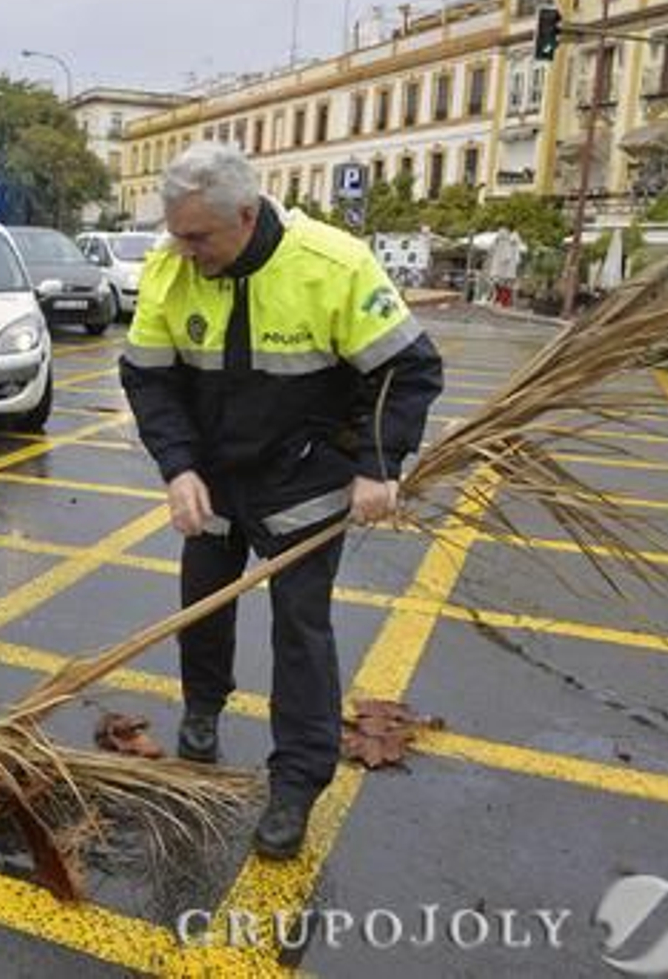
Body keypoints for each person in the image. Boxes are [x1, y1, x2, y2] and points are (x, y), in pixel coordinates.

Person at [119, 143, 442, 860]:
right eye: (176, 234)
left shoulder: (333, 264)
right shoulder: (172, 267)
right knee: (203, 602)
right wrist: (177, 467)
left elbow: (408, 370)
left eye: (198, 236)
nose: (184, 250)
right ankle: (202, 710)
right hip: (212, 475)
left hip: (302, 480)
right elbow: (148, 378)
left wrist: (378, 465)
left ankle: (297, 781)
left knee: (301, 630)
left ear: (245, 214)